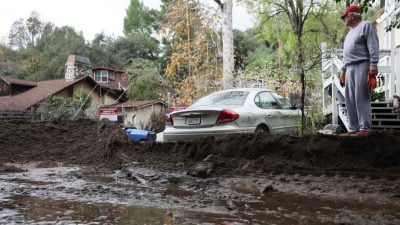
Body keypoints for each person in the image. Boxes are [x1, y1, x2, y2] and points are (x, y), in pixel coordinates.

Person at [339, 5, 379, 136]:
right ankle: (353, 128)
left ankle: (364, 128)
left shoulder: (366, 25)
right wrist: (343, 70)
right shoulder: (349, 33)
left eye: (345, 16)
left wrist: (373, 63)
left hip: (363, 64)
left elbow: (373, 44)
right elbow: (346, 54)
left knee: (361, 96)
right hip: (349, 67)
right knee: (350, 99)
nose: (344, 19)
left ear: (353, 15)